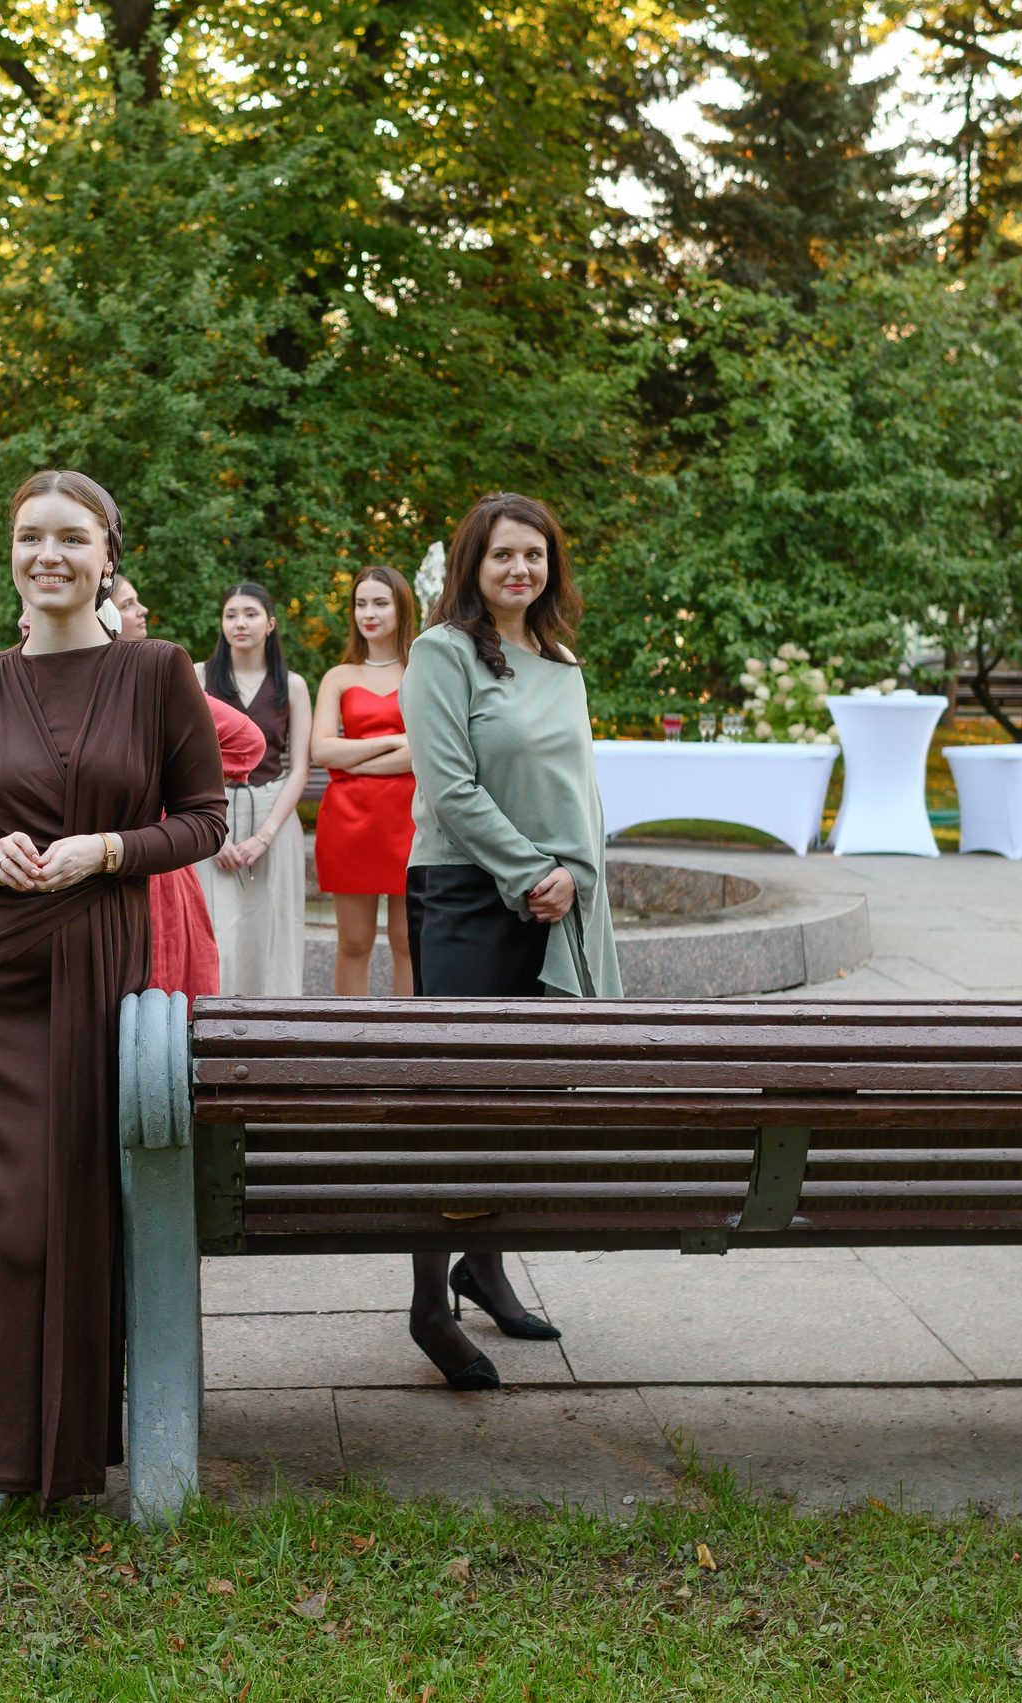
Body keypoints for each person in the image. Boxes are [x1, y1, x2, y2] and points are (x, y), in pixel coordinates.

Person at [0, 470, 227, 1522]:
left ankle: (59, 1436)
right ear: (11, 554)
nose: (49, 554)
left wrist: (110, 848)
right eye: (30, 535)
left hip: (94, 954)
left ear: (106, 553)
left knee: (60, 1210)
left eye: (71, 538)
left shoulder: (156, 671)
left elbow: (206, 818)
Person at [396, 491, 619, 1390]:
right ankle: (426, 1303)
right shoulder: (441, 653)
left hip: (555, 901)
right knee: (456, 1101)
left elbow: (579, 797)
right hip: (469, 893)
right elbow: (449, 787)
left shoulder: (559, 661)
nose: (519, 569)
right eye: (502, 556)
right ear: (472, 567)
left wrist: (576, 883)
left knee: (527, 1098)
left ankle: (483, 1266)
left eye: (534, 554)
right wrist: (532, 871)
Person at [110, 575, 267, 995]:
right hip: (102, 869)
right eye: (128, 604)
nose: (141, 611)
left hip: (149, 864)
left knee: (158, 1005)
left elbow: (247, 741)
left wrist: (174, 788)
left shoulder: (153, 677)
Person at [310, 567, 420, 995]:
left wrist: (351, 760)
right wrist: (397, 740)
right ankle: (350, 1041)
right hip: (349, 822)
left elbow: (423, 752)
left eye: (380, 602)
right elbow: (321, 751)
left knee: (408, 942)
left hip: (410, 819)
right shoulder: (339, 676)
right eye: (360, 604)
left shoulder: (422, 670)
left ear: (401, 607)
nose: (368, 613)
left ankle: (410, 1044)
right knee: (354, 942)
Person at [196, 584, 311, 996]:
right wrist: (216, 834)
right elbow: (185, 761)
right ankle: (213, 1029)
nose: (239, 623)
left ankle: (277, 1033)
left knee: (276, 932)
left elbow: (299, 767)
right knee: (217, 927)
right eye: (230, 615)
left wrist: (264, 837)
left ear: (271, 623)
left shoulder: (292, 685)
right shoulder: (198, 676)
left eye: (250, 614)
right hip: (213, 813)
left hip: (274, 815)